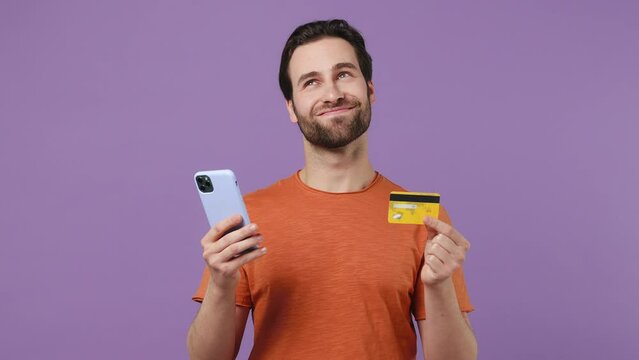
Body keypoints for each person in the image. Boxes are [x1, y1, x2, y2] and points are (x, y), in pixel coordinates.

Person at [187, 19, 477, 360]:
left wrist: (439, 286)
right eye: (311, 82)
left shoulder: (422, 216)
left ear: (370, 90)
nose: (332, 94)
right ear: (292, 109)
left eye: (343, 74)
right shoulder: (248, 218)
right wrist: (221, 285)